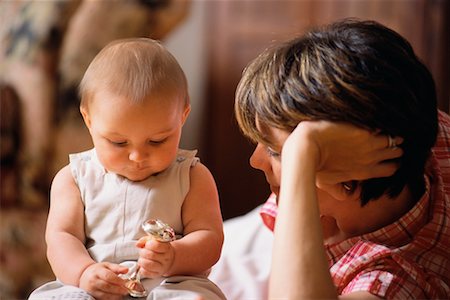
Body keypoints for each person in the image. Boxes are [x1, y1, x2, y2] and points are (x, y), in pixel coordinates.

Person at [232, 19, 450, 299]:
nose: (255, 161)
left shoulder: (399, 279)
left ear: (347, 178)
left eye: (276, 152)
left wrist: (300, 151)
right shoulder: (410, 121)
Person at [29, 38, 225, 300]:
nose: (137, 156)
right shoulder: (74, 178)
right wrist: (84, 273)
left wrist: (175, 256)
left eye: (157, 141)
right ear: (89, 119)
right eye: (118, 142)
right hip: (95, 285)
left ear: (182, 116)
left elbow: (210, 239)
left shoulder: (191, 176)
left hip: (170, 283)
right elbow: (61, 238)